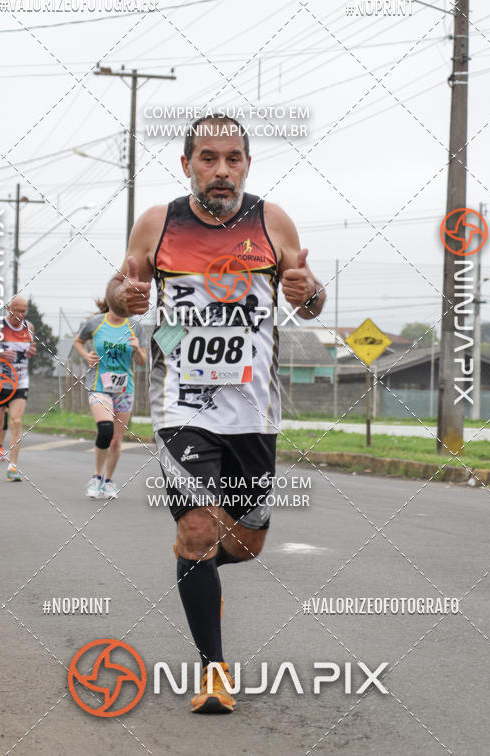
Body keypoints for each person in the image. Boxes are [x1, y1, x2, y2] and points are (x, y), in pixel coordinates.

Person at [105, 114, 325, 712]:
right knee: (199, 528)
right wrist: (120, 297)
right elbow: (120, 290)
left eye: (233, 158)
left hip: (254, 411)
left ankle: (193, 558)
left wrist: (310, 295)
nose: (221, 170)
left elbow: (308, 301)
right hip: (182, 404)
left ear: (247, 165)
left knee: (247, 543)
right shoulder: (158, 223)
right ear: (187, 165)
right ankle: (213, 672)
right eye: (208, 158)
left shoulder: (271, 221)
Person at [73, 298, 147, 499]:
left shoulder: (135, 327)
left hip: (124, 389)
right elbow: (78, 341)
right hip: (99, 386)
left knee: (116, 441)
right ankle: (96, 477)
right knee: (105, 430)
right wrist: (85, 356)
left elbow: (142, 361)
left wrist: (138, 349)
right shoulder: (96, 323)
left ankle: (107, 481)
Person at [0, 296, 36, 482]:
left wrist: (30, 352)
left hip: (20, 382)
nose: (20, 315)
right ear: (9, 309)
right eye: (17, 311)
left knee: (16, 421)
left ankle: (12, 467)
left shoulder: (29, 327)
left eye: (24, 311)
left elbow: (29, 350)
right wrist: (0, 354)